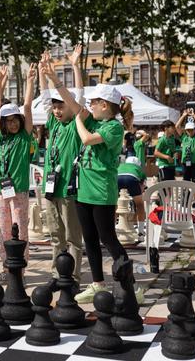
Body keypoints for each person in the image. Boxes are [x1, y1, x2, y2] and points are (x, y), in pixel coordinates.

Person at [73, 84, 130, 304]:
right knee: (90, 240)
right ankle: (98, 284)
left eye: (93, 103)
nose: (90, 106)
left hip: (102, 191)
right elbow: (77, 100)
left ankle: (129, 283)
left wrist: (78, 118)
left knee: (108, 238)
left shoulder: (114, 127)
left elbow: (87, 139)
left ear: (104, 105)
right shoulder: (98, 122)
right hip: (84, 190)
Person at [38, 46, 84, 284]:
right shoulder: (53, 124)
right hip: (50, 187)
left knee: (73, 237)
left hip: (68, 188)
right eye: (55, 107)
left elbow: (77, 97)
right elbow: (45, 98)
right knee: (55, 235)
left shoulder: (76, 123)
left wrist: (75, 67)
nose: (56, 110)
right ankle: (58, 273)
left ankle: (73, 276)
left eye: (61, 106)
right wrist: (41, 73)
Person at [0, 64, 36, 283]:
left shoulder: (23, 138)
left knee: (21, 230)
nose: (14, 122)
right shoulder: (0, 138)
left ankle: (20, 269)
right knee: (3, 231)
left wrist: (30, 81)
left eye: (16, 119)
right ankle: (7, 267)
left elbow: (27, 107)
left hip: (19, 192)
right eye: (9, 120)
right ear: (3, 123)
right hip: (0, 191)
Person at [117, 156, 147, 238]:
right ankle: (141, 232)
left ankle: (111, 231)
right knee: (140, 205)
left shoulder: (121, 165)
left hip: (117, 178)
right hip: (132, 178)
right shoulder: (139, 169)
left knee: (114, 206)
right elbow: (142, 187)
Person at [175, 109, 195, 185]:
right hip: (185, 162)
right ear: (185, 130)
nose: (190, 131)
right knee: (186, 181)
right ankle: (187, 196)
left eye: (191, 130)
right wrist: (183, 115)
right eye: (188, 130)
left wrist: (194, 115)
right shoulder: (184, 137)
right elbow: (177, 126)